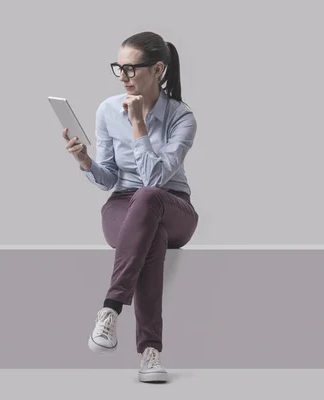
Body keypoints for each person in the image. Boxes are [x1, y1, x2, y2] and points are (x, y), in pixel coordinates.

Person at [61, 31, 199, 383]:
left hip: (171, 204)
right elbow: (108, 179)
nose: (123, 77)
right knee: (150, 235)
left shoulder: (182, 117)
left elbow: (154, 182)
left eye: (131, 69)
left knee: (149, 198)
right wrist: (85, 161)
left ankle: (110, 308)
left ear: (157, 69)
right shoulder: (107, 110)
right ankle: (150, 354)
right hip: (123, 205)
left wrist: (138, 123)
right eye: (118, 68)